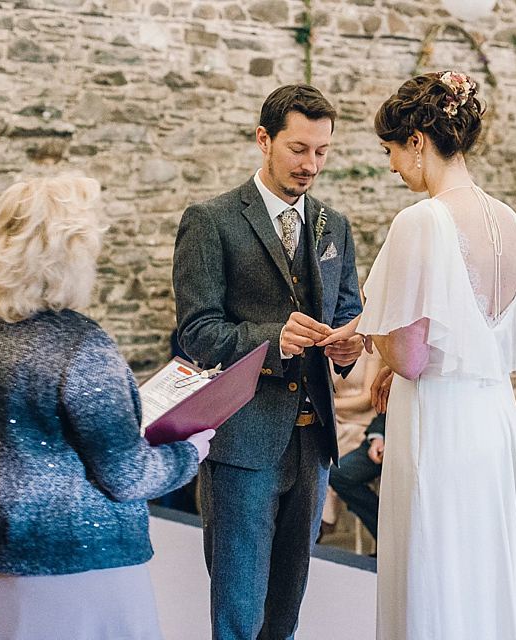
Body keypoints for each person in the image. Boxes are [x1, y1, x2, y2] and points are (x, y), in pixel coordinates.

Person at [0, 176, 212, 639]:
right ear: (68, 256)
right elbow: (127, 475)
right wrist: (189, 453)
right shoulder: (81, 347)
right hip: (74, 560)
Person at [342, 70, 516, 638]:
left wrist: (371, 339)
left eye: (390, 150)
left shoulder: (421, 220)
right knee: (484, 564)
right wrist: (389, 354)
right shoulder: (510, 220)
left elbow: (410, 358)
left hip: (436, 421)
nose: (390, 166)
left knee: (435, 563)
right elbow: (475, 331)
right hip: (492, 415)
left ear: (416, 141)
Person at [172, 84, 364, 640]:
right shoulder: (211, 221)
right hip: (242, 442)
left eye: (322, 151)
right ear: (264, 139)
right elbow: (198, 333)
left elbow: (349, 309)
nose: (311, 165)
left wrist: (351, 349)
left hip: (313, 444)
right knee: (238, 605)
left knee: (287, 603)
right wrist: (273, 338)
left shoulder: (336, 226)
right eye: (298, 149)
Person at [320, 349, 382, 537]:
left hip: (361, 421)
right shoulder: (327, 340)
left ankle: (319, 524)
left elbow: (368, 400)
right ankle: (311, 521)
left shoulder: (373, 344)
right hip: (330, 417)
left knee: (331, 466)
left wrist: (326, 404)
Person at [327, 412, 386, 542]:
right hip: (385, 437)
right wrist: (378, 437)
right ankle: (386, 534)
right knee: (338, 474)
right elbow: (386, 411)